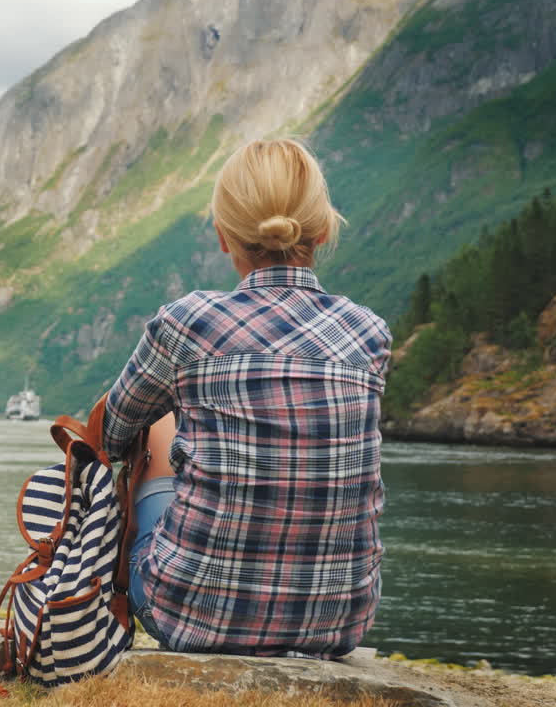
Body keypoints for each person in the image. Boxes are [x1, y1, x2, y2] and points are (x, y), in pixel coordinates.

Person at [101, 138, 392, 657]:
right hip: (338, 624)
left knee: (157, 423)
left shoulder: (186, 322)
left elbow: (111, 433)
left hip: (188, 615)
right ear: (323, 230)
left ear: (222, 236)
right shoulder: (369, 332)